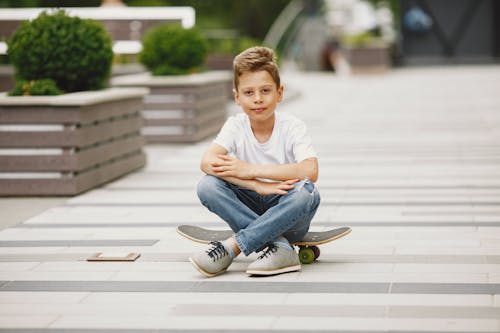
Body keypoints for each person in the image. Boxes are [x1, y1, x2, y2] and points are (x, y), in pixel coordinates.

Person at [190, 46, 320, 277]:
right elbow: (207, 162)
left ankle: (233, 246)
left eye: (265, 90)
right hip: (248, 203)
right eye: (249, 93)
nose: (258, 99)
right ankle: (279, 248)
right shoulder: (235, 125)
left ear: (280, 93)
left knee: (307, 192)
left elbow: (310, 170)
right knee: (207, 185)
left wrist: (251, 170)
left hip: (285, 209)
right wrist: (256, 184)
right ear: (237, 97)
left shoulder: (292, 126)